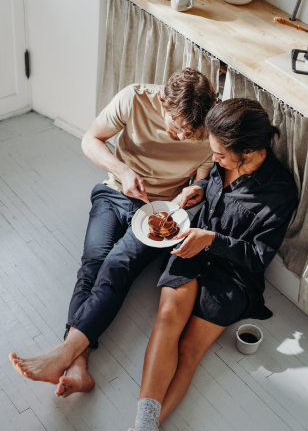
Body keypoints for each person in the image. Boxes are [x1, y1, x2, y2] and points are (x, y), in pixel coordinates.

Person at [96, 98, 298, 431]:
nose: (215, 159)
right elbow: (212, 197)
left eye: (220, 156)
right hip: (192, 247)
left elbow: (258, 257)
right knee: (167, 319)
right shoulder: (222, 165)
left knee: (190, 350)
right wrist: (200, 187)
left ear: (249, 151)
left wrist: (213, 240)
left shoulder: (280, 192)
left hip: (235, 272)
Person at [8, 68, 217, 398]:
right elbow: (90, 139)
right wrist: (122, 169)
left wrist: (195, 190)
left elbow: (202, 179)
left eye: (188, 134)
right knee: (92, 263)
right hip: (115, 192)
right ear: (163, 102)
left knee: (118, 265)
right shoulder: (133, 98)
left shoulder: (207, 130)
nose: (179, 138)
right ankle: (77, 366)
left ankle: (63, 354)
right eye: (175, 128)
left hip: (160, 212)